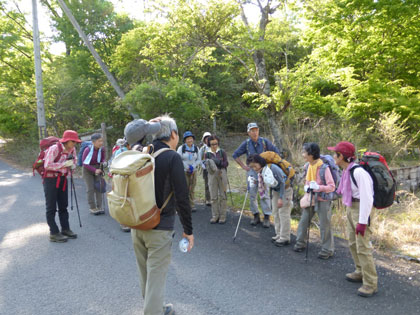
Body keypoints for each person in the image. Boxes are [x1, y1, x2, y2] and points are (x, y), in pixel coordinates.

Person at [130, 115, 194, 315]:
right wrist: (188, 231)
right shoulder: (172, 157)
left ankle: (156, 307)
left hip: (137, 223)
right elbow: (183, 197)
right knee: (156, 278)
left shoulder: (141, 151)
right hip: (159, 227)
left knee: (146, 276)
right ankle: (153, 311)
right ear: (173, 134)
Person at [328, 141, 378, 297]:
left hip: (361, 209)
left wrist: (363, 222)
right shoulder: (346, 170)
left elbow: (367, 198)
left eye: (335, 153)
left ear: (341, 156)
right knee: (351, 242)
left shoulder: (358, 173)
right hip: (352, 208)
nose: (333, 155)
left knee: (363, 247)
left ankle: (370, 283)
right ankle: (360, 271)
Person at [232, 122, 280, 227]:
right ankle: (256, 215)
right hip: (252, 172)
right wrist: (244, 166)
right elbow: (235, 155)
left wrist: (272, 165)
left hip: (264, 172)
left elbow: (276, 152)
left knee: (265, 194)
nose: (255, 132)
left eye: (256, 130)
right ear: (248, 132)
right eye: (252, 130)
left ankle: (266, 217)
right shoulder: (246, 143)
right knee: (252, 194)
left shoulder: (264, 142)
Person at [294, 143, 335, 259]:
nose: (303, 154)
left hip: (323, 200)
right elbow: (307, 181)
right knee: (304, 221)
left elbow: (332, 187)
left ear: (311, 154)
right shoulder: (308, 166)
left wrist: (319, 187)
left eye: (304, 152)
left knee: (324, 225)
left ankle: (327, 250)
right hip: (311, 198)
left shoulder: (324, 168)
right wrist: (307, 187)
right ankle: (300, 243)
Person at [43, 130, 81, 242]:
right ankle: (54, 233)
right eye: (73, 141)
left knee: (63, 205)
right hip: (50, 179)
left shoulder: (72, 149)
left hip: (63, 179)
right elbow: (47, 165)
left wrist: (73, 166)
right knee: (51, 207)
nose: (74, 144)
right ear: (66, 140)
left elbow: (74, 160)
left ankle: (65, 229)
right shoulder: (54, 149)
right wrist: (64, 165)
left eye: (75, 141)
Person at [248, 155, 287, 238]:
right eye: (252, 167)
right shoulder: (261, 171)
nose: (254, 169)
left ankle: (284, 237)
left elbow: (283, 182)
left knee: (282, 214)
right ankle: (279, 234)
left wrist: (280, 198)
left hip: (285, 190)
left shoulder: (273, 168)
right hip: (276, 190)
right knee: (276, 213)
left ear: (260, 163)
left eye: (255, 166)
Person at [204, 135, 229, 224]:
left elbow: (226, 163)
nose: (214, 146)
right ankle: (215, 216)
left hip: (222, 173)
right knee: (213, 196)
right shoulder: (207, 153)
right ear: (209, 144)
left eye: (216, 144)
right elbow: (206, 166)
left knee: (223, 195)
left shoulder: (222, 152)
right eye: (212, 144)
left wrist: (220, 163)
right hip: (212, 174)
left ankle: (222, 216)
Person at [82, 133, 106, 215]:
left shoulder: (101, 149)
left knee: (99, 188)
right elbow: (85, 163)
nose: (101, 143)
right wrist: (94, 170)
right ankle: (92, 207)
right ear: (93, 142)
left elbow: (102, 158)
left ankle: (100, 206)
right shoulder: (87, 150)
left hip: (98, 168)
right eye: (99, 141)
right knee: (90, 189)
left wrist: (103, 164)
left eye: (101, 141)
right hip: (87, 170)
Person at [177, 131, 201, 211]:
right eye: (187, 139)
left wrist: (193, 166)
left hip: (193, 171)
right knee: (185, 188)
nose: (189, 140)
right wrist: (186, 167)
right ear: (185, 140)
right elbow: (178, 159)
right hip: (184, 171)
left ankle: (192, 205)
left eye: (191, 138)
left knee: (192, 189)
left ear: (193, 139)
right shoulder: (181, 148)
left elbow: (199, 160)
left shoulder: (196, 148)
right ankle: (184, 205)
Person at [199, 131, 212, 206]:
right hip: (206, 169)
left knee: (213, 184)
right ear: (204, 140)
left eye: (208, 138)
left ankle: (213, 198)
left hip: (213, 169)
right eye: (206, 138)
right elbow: (199, 158)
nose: (207, 139)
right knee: (207, 184)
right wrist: (203, 166)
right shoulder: (202, 149)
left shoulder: (214, 146)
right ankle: (208, 199)